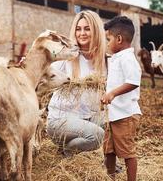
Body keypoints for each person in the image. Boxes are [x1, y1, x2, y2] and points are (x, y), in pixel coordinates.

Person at [47, 10, 107, 156]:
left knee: (110, 125)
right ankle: (68, 150)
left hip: (85, 118)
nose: (82, 33)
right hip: (60, 121)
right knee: (98, 136)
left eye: (87, 29)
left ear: (96, 31)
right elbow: (45, 72)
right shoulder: (67, 55)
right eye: (78, 29)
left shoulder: (104, 61)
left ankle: (109, 160)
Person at [101, 16, 142, 181]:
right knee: (108, 150)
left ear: (119, 39)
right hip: (113, 114)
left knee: (127, 152)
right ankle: (111, 178)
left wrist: (112, 93)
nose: (107, 43)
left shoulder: (127, 58)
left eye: (108, 39)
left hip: (125, 115)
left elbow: (133, 82)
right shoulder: (116, 57)